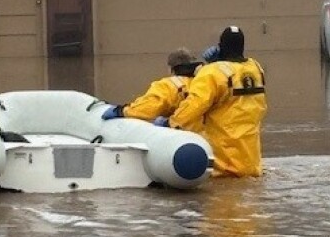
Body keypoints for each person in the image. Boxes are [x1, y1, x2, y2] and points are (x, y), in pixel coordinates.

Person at [167, 26, 266, 177]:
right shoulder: (255, 68)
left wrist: (171, 123)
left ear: (220, 46)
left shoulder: (212, 73)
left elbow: (194, 105)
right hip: (251, 163)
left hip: (223, 165)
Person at [102, 47, 201, 125]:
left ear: (171, 69)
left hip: (182, 137)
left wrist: (121, 111)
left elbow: (148, 107)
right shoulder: (202, 81)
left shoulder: (168, 86)